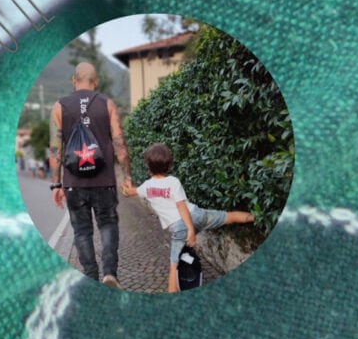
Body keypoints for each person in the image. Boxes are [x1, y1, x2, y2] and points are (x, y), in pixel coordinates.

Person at [48, 58, 134, 286]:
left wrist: (56, 185)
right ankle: (109, 273)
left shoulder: (58, 107)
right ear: (95, 82)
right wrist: (127, 176)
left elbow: (55, 150)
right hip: (104, 180)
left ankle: (91, 277)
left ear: (73, 81)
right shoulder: (107, 104)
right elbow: (119, 144)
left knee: (82, 231)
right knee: (107, 224)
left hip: (74, 183)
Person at [137, 142, 254, 291]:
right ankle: (258, 217)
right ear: (169, 164)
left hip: (181, 226)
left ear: (148, 166)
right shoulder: (173, 181)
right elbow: (182, 205)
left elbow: (181, 207)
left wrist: (190, 231)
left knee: (174, 265)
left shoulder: (146, 186)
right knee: (228, 217)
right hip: (197, 215)